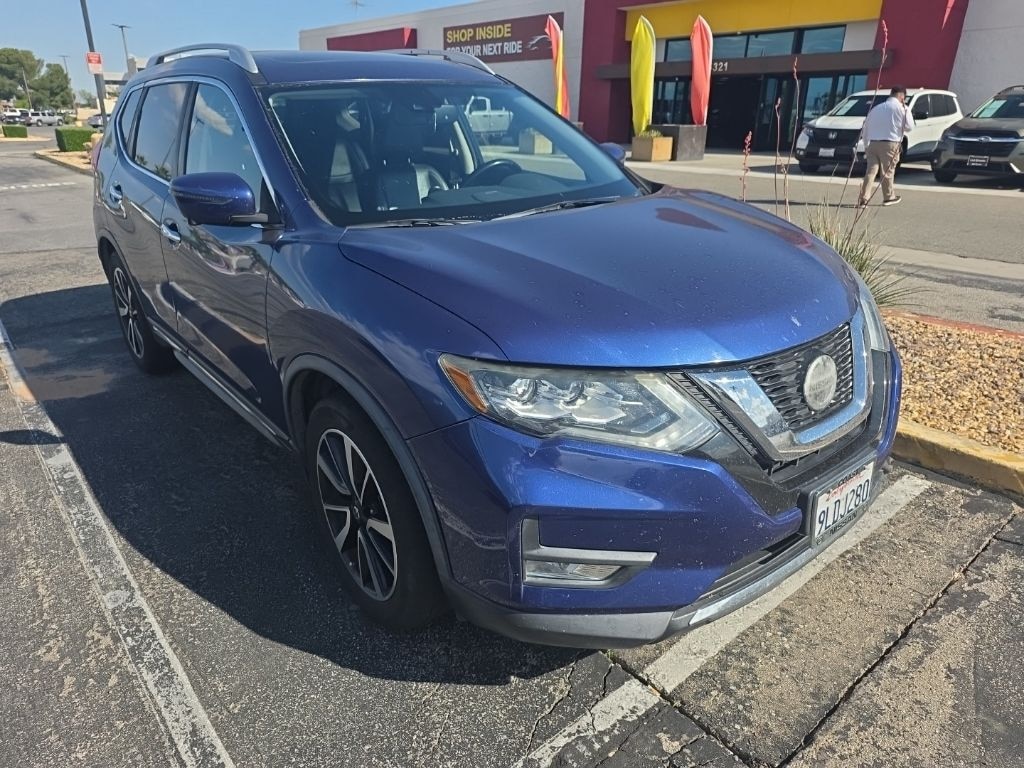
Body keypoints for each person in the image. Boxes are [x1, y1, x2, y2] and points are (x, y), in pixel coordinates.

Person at [858, 86, 915, 208]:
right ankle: (888, 197)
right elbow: (909, 127)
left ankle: (864, 199)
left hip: (873, 143)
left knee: (871, 171)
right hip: (890, 143)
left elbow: (866, 127)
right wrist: (905, 108)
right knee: (888, 171)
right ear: (902, 96)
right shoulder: (902, 108)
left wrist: (866, 144)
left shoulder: (876, 108)